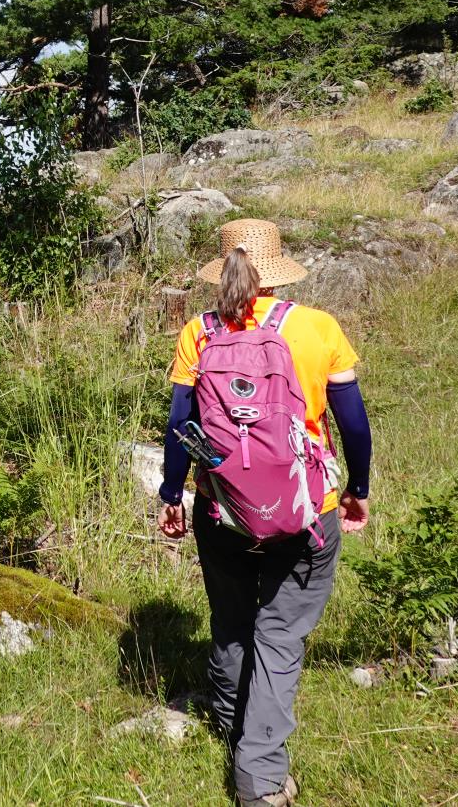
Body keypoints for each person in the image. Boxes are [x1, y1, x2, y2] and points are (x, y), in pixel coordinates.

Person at [156, 218, 373, 807]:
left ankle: (232, 729)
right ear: (277, 271)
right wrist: (358, 486)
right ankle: (261, 780)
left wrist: (172, 495)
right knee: (279, 636)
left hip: (221, 508)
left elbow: (181, 427)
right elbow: (352, 422)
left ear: (221, 267)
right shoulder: (316, 327)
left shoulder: (197, 333)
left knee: (230, 621)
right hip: (305, 511)